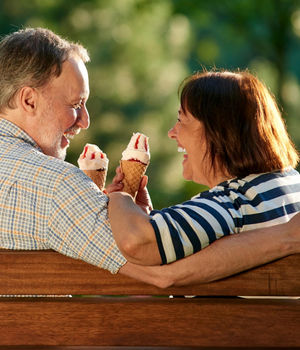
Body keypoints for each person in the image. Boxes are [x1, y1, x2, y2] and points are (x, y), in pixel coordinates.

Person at [0, 27, 299, 288]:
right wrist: (121, 198)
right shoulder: (58, 187)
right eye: (76, 104)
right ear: (28, 100)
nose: (85, 121)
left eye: (181, 121)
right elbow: (158, 270)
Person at [108, 70, 300, 278]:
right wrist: (146, 217)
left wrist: (120, 196)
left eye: (182, 120)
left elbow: (134, 242)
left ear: (218, 132)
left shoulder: (230, 203)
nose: (172, 132)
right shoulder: (291, 182)